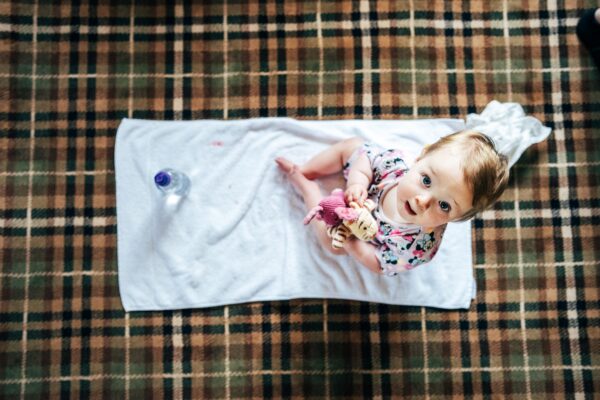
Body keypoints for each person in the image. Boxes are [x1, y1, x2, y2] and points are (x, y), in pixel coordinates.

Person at [275, 130, 509, 276]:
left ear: (456, 218)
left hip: (362, 234)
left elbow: (379, 264)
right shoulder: (397, 163)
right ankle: (309, 170)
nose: (422, 200)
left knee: (331, 243)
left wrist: (351, 243)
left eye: (445, 206)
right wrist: (357, 182)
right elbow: (366, 158)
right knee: (352, 145)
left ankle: (307, 187)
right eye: (426, 180)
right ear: (420, 158)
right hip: (362, 193)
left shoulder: (418, 246)